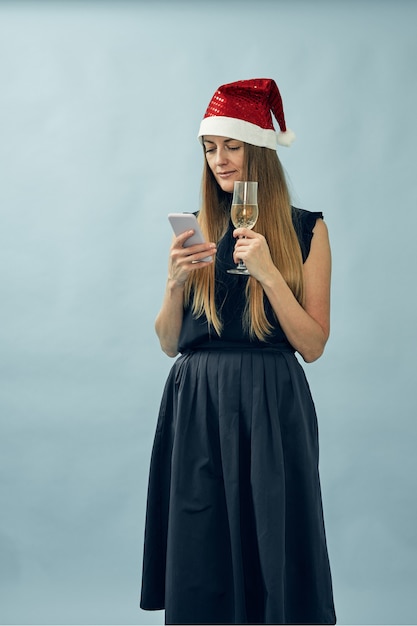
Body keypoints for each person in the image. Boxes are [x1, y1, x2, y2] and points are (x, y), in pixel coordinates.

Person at [140, 78, 336, 625]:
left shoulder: (307, 230)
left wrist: (271, 276)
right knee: (200, 541)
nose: (219, 160)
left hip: (272, 403)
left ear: (260, 150)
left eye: (232, 145)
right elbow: (167, 342)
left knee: (272, 536)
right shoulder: (197, 229)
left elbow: (314, 345)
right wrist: (174, 283)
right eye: (209, 148)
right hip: (196, 402)